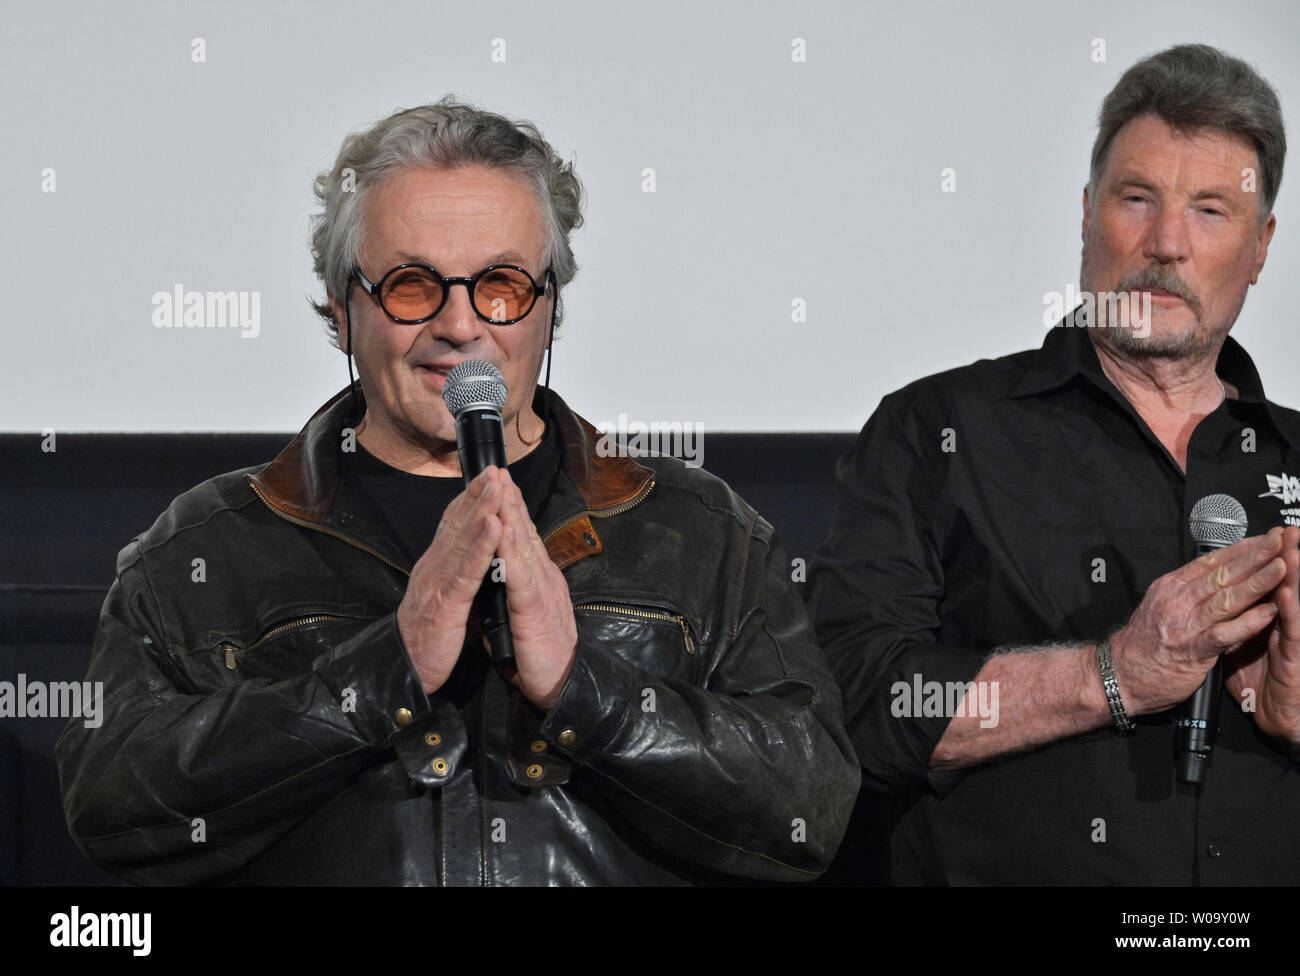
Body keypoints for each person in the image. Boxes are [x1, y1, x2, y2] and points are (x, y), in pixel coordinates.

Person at [56, 98, 859, 885]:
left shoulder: (703, 532)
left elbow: (811, 808)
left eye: (501, 285)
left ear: (550, 309)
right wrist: (380, 673)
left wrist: (587, 689)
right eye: (411, 286)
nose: (461, 324)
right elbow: (113, 806)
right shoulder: (206, 546)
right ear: (342, 311)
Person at [810, 44, 1300, 884]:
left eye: (1212, 211)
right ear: (1086, 215)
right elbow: (851, 708)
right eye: (1137, 198)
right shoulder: (937, 430)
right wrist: (1110, 675)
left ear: (1260, 248)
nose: (1167, 243)